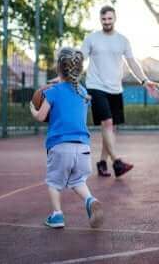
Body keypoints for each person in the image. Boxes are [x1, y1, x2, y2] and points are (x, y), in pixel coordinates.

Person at [81, 5, 159, 178]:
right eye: (103, 19)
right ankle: (117, 162)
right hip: (96, 86)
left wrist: (145, 81)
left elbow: (132, 63)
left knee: (111, 127)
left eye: (109, 18)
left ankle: (102, 162)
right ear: (100, 20)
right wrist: (65, 76)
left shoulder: (123, 40)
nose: (107, 22)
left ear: (115, 18)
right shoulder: (91, 39)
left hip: (115, 88)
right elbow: (80, 60)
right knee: (107, 124)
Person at [29, 47, 103, 229]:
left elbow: (40, 116)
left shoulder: (52, 92)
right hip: (84, 148)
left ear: (58, 68)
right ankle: (90, 200)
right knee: (78, 181)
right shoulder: (84, 93)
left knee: (54, 183)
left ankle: (57, 215)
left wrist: (32, 107)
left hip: (60, 146)